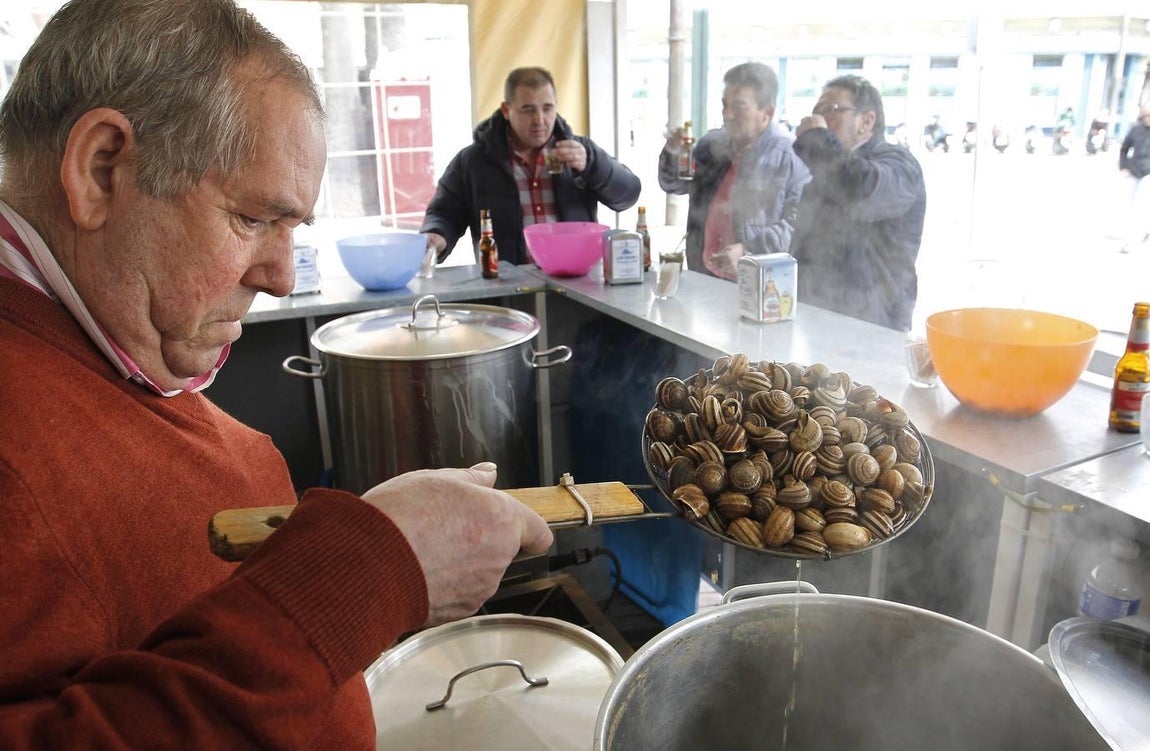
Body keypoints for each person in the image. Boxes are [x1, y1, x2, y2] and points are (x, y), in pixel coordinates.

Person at [0, 0, 552, 746]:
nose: (282, 279)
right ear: (102, 168)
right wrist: (366, 573)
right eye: (255, 219)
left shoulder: (104, 351)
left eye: (294, 230)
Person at [420, 66, 641, 266]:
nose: (540, 120)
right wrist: (436, 235)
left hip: (576, 288)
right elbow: (445, 212)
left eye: (547, 108)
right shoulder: (473, 161)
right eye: (528, 109)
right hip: (506, 287)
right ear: (507, 111)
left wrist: (593, 165)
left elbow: (627, 195)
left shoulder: (580, 151)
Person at [789, 74, 926, 331]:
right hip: (820, 312)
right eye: (816, 110)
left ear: (867, 121)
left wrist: (817, 139)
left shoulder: (898, 163)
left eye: (831, 109)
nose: (818, 119)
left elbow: (861, 192)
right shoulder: (829, 166)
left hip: (873, 321)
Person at [657, 62, 810, 280]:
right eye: (724, 104)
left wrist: (748, 251)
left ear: (767, 112)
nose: (727, 114)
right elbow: (673, 185)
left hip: (757, 282)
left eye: (739, 107)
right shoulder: (712, 145)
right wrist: (673, 153)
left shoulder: (791, 157)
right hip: (703, 274)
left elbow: (798, 224)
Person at [1118, 105, 1150, 250]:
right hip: (1134, 170)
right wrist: (1123, 165)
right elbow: (1125, 148)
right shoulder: (1136, 129)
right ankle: (1144, 230)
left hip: (1148, 172)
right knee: (1133, 203)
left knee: (1140, 203)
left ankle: (1131, 240)